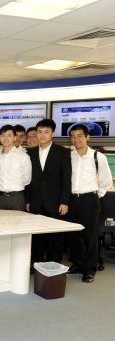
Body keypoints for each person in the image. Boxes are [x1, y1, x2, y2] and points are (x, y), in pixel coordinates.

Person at [67, 124, 112, 283]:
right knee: (74, 235)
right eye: (73, 136)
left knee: (90, 236)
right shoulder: (69, 155)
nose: (76, 139)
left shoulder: (98, 157)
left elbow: (106, 181)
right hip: (71, 200)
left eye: (80, 136)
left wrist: (94, 196)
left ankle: (89, 269)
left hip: (89, 200)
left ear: (87, 137)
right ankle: (78, 264)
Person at [27, 119, 71, 265]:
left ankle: (54, 266)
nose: (42, 135)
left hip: (56, 202)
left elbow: (67, 179)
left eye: (46, 132)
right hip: (36, 202)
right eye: (39, 132)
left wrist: (65, 201)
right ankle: (37, 265)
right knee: (37, 237)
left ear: (53, 133)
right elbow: (28, 179)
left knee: (56, 238)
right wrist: (28, 200)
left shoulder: (63, 152)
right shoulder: (30, 153)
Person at [0, 125, 31, 211]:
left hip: (17, 198)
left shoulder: (23, 156)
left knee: (17, 223)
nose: (6, 138)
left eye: (9, 135)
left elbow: (27, 179)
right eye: (3, 135)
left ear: (14, 138)